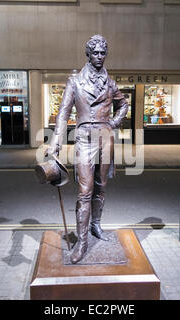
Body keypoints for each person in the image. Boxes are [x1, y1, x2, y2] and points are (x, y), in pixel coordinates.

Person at [46, 35, 129, 264]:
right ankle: (82, 242)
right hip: (84, 138)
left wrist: (113, 123)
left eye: (103, 53)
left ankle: (96, 225)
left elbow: (123, 104)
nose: (100, 57)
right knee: (85, 190)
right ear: (88, 54)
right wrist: (57, 140)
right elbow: (63, 111)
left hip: (105, 137)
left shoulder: (110, 82)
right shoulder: (75, 81)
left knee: (101, 187)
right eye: (96, 53)